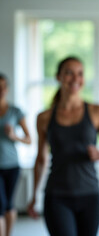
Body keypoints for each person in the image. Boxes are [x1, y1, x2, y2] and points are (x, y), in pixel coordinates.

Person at [27, 56, 99, 236]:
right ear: (58, 77)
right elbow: (41, 158)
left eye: (80, 74)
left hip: (90, 195)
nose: (75, 79)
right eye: (69, 73)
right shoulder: (44, 117)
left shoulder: (98, 112)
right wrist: (34, 194)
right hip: (57, 196)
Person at [0, 73, 31, 236]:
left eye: (4, 86)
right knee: (0, 204)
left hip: (12, 164)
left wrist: (14, 136)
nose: (1, 90)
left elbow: (29, 139)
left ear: (7, 88)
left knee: (9, 205)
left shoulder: (15, 111)